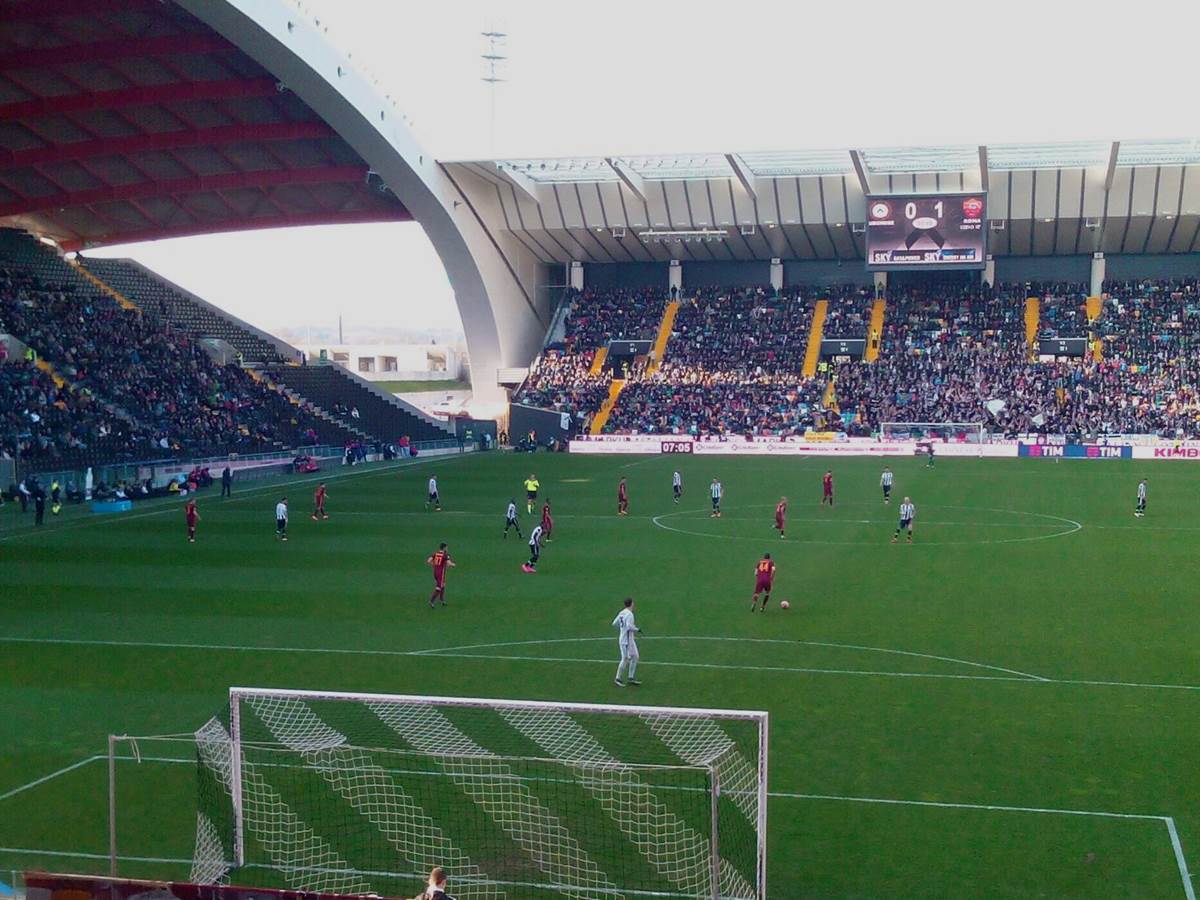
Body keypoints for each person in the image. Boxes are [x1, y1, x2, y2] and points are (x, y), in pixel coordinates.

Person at [612, 597, 641, 687]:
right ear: (631, 604)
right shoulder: (630, 614)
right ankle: (618, 678)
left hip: (629, 640)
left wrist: (622, 629)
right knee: (625, 659)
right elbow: (628, 626)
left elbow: (614, 623)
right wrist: (637, 629)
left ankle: (631, 677)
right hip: (626, 641)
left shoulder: (622, 612)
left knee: (635, 656)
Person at [427, 542, 455, 607]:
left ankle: (441, 599)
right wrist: (453, 565)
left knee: (443, 584)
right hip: (440, 573)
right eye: (447, 547)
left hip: (435, 572)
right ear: (444, 548)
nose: (447, 548)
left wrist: (434, 565)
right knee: (439, 588)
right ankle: (431, 601)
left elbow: (429, 560)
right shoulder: (445, 555)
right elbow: (449, 563)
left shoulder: (435, 554)